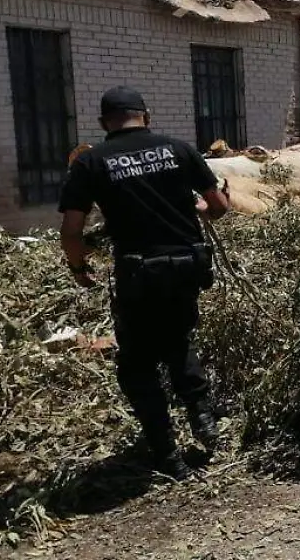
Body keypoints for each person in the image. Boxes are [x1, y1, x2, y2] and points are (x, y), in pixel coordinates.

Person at [59, 86, 231, 479]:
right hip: (187, 266)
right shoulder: (179, 149)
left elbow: (71, 230)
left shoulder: (91, 163)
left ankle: (165, 451)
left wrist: (78, 268)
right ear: (147, 116)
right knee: (180, 340)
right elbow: (217, 208)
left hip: (139, 274)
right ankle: (203, 420)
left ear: (104, 123)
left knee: (137, 363)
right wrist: (203, 205)